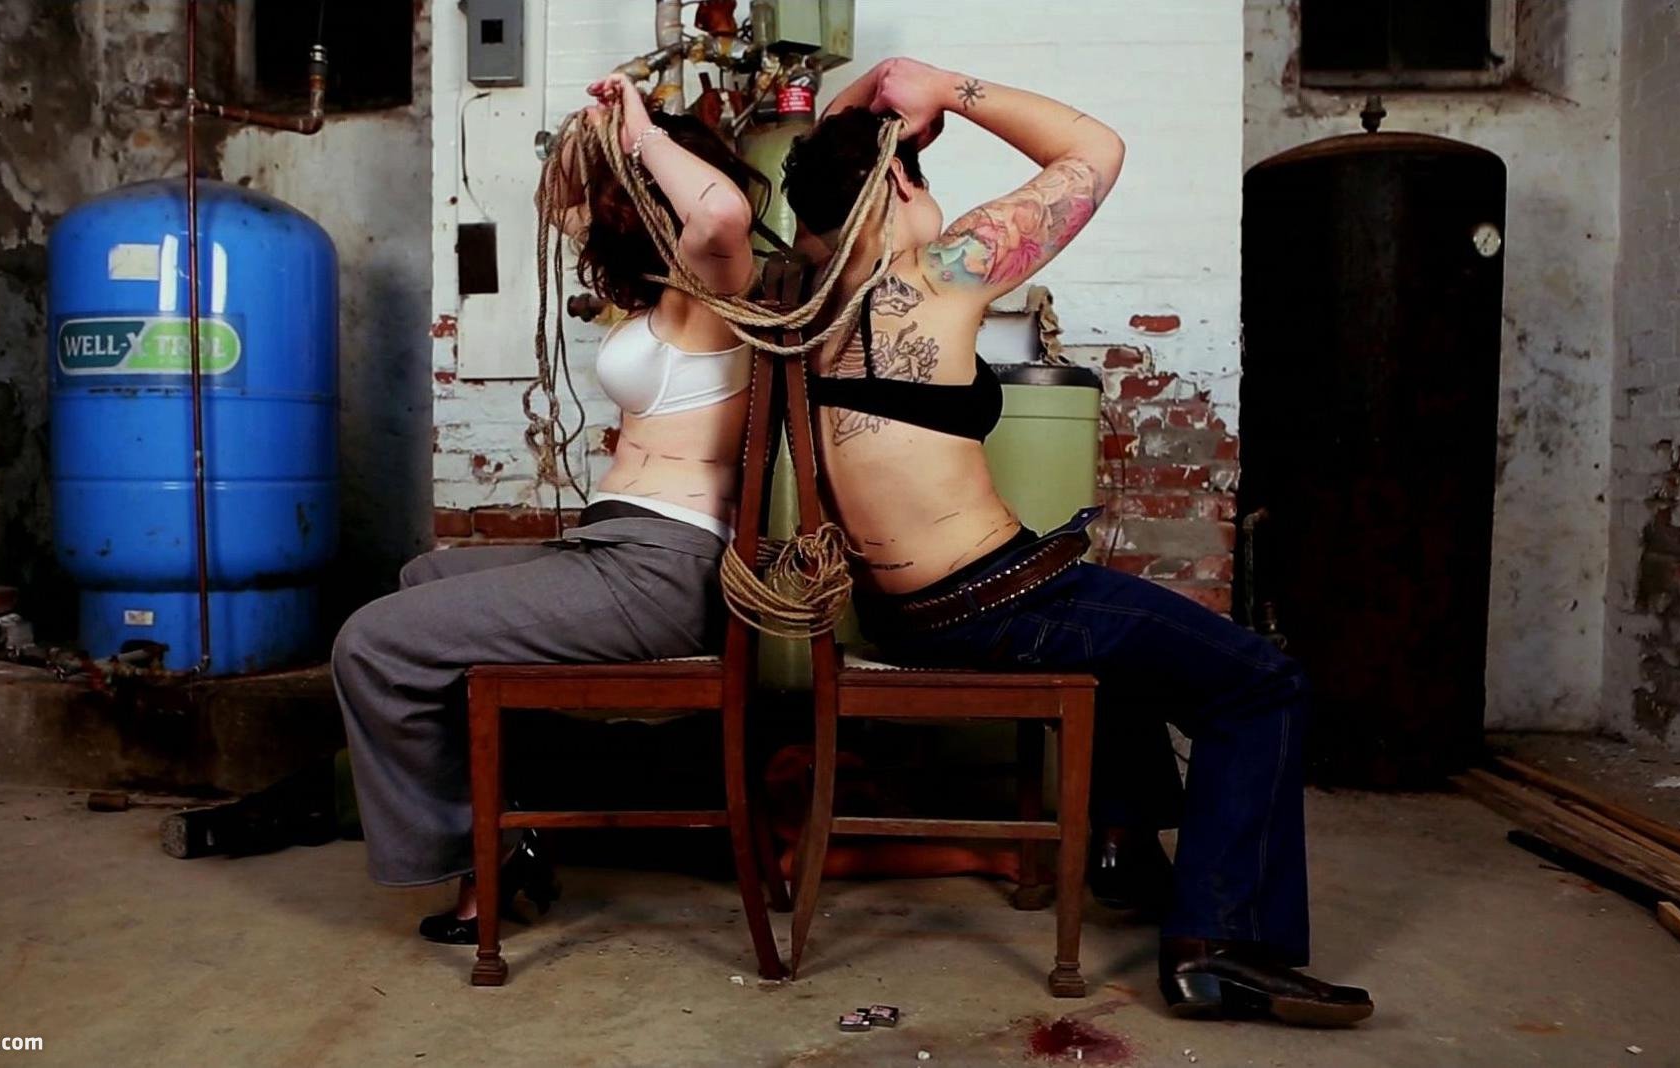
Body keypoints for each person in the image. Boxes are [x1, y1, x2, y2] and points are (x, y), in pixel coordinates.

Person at [780, 58, 1374, 1026]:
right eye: (921, 178)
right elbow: (1096, 148)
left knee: (1120, 625)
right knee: (1263, 683)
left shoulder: (813, 296)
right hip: (998, 608)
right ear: (893, 188)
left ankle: (1124, 844)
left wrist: (872, 103)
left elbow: (819, 175)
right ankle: (1218, 946)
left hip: (907, 613)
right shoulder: (938, 274)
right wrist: (943, 88)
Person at [333, 73, 765, 944]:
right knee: (421, 578)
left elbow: (720, 212)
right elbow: (557, 203)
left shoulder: (719, 288)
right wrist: (588, 131)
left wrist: (642, 131)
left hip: (663, 568)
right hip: (614, 546)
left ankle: (485, 856)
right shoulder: (665, 293)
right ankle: (506, 818)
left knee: (371, 644)